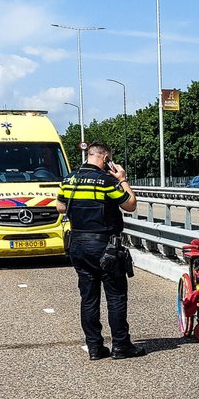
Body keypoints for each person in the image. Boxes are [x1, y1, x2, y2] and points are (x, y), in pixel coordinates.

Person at [56, 142, 145, 360]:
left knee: (88, 297)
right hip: (105, 245)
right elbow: (130, 205)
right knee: (115, 296)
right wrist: (122, 179)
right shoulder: (106, 181)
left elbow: (59, 207)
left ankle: (95, 347)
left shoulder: (69, 179)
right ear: (106, 159)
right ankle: (121, 346)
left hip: (78, 243)